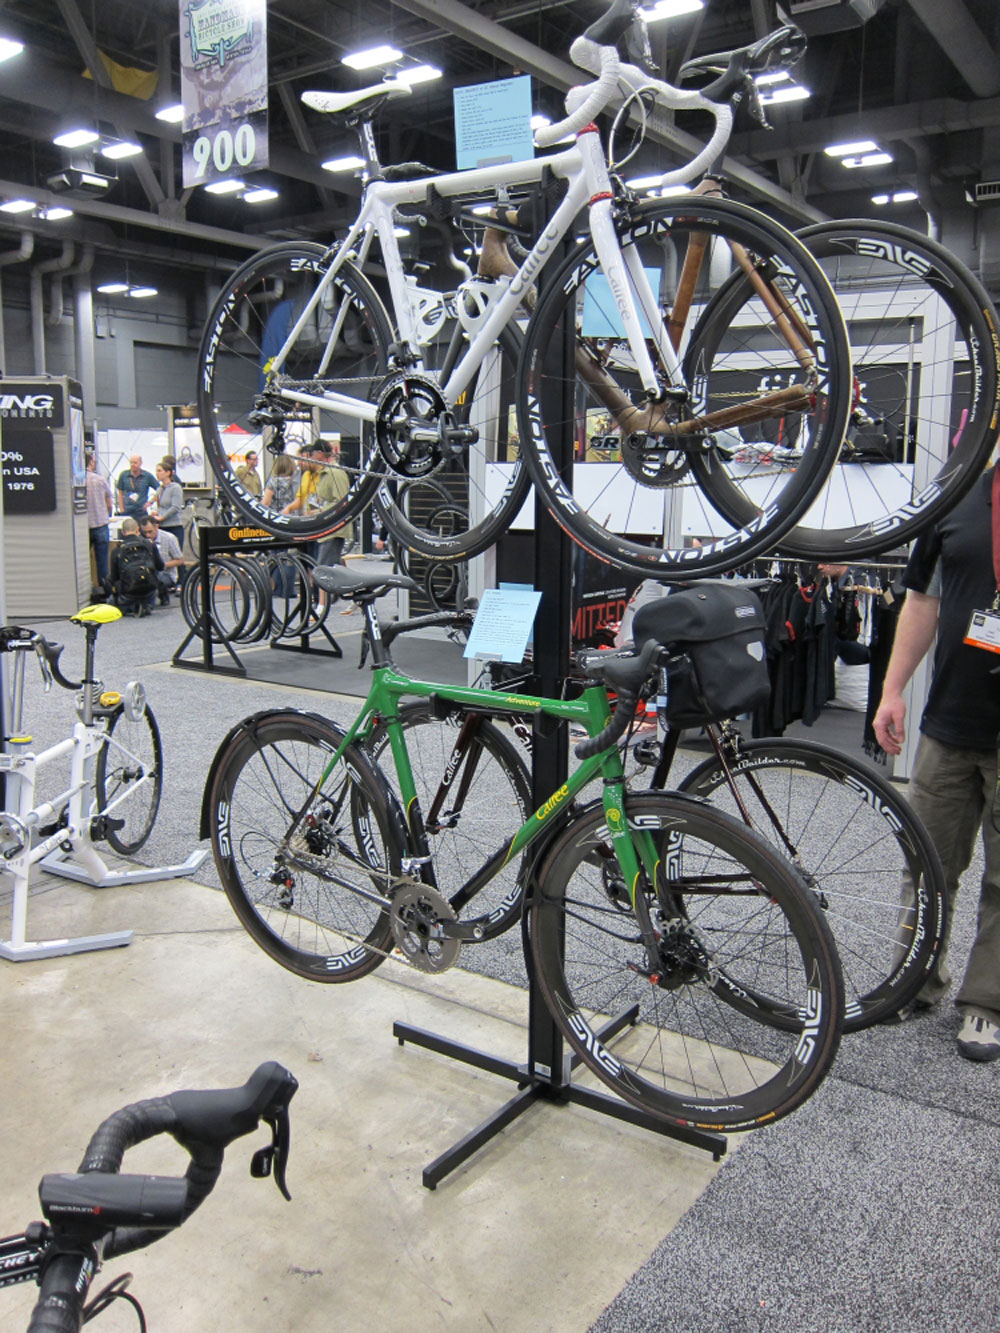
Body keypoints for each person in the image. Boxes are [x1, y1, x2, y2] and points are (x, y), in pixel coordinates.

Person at [873, 464, 1000, 1062]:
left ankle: (987, 1003)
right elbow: (922, 600)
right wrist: (892, 689)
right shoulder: (958, 495)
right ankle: (915, 979)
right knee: (926, 863)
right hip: (949, 722)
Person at [110, 517, 163, 617]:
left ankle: (129, 606)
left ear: (123, 532)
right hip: (148, 591)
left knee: (110, 598)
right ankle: (147, 604)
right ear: (137, 530)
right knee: (157, 573)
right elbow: (160, 566)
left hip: (128, 593)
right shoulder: (149, 545)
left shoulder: (117, 550)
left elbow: (114, 577)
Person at [139, 515, 185, 604]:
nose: (147, 535)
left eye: (150, 532)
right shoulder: (141, 539)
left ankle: (162, 594)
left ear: (156, 526)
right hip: (147, 571)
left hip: (166, 573)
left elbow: (180, 560)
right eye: (145, 532)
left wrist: (162, 564)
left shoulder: (169, 538)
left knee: (154, 576)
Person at [84, 452, 113, 591]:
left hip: (83, 527)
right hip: (101, 524)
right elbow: (109, 503)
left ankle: (85, 588)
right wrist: (106, 516)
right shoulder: (100, 480)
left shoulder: (76, 480)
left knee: (83, 560)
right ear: (91, 462)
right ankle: (104, 590)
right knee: (102, 561)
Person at [147, 455, 184, 546]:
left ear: (168, 473)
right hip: (162, 526)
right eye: (156, 471)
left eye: (160, 471)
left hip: (173, 526)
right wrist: (155, 513)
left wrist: (162, 517)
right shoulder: (160, 488)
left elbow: (175, 507)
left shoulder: (175, 487)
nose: (157, 473)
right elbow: (160, 505)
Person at [115, 454, 157, 520]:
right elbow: (120, 493)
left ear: (140, 463)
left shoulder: (147, 476)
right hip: (126, 511)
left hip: (141, 511)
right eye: (131, 462)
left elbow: (160, 490)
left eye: (135, 463)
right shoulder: (124, 475)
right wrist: (121, 509)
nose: (132, 465)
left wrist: (150, 502)